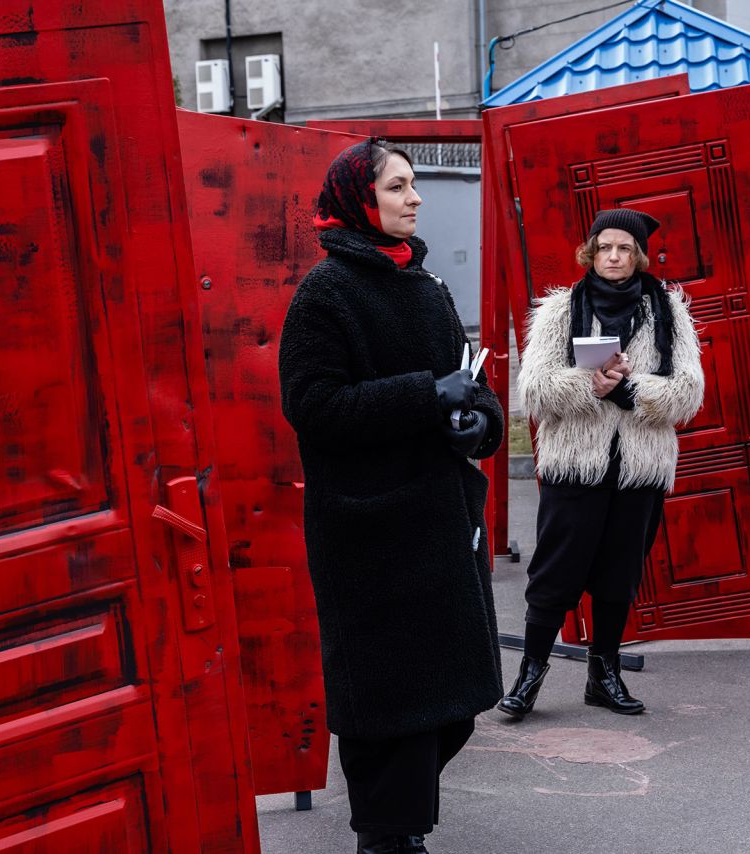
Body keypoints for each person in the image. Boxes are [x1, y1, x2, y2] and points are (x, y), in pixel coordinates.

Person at [278, 138, 504, 854]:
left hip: (439, 521)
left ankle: (394, 823)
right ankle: (387, 836)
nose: (414, 198)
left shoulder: (426, 284)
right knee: (390, 704)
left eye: (411, 186)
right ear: (359, 199)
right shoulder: (325, 295)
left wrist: (477, 423)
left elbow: (471, 384)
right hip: (368, 532)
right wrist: (422, 396)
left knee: (453, 703)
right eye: (398, 186)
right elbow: (314, 407)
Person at [497, 209, 704, 721]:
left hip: (638, 466)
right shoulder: (559, 309)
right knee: (554, 575)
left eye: (625, 249)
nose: (614, 257)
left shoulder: (669, 312)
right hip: (577, 463)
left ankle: (603, 675)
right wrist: (589, 385)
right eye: (606, 247)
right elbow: (535, 390)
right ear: (591, 251)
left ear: (638, 255)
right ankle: (530, 673)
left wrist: (632, 390)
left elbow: (689, 391)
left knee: (618, 575)